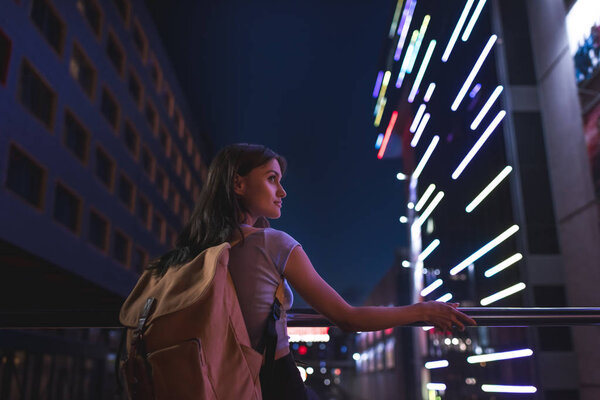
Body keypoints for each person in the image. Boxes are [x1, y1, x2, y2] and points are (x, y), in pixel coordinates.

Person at [147, 143, 476, 400]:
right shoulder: (273, 244)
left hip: (206, 382)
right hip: (269, 386)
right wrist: (424, 310)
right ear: (238, 184)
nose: (282, 192)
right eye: (271, 179)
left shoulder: (187, 254)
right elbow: (347, 318)